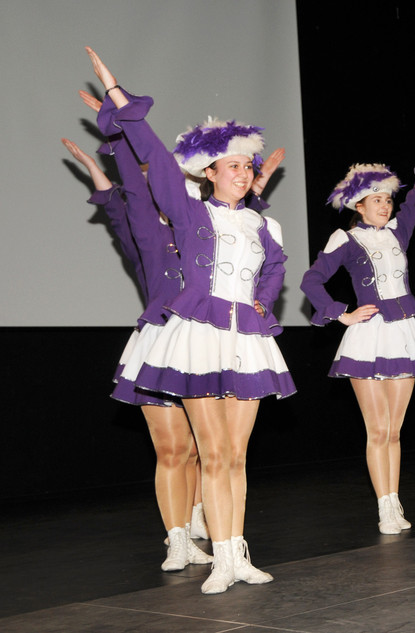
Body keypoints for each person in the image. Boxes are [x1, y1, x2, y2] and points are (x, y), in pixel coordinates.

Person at [85, 47, 295, 595]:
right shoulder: (189, 211)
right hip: (199, 336)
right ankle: (220, 559)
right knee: (214, 452)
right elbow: (154, 155)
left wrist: (263, 302)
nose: (244, 173)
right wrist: (117, 95)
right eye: (233, 166)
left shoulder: (264, 226)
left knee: (237, 456)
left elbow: (275, 268)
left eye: (248, 166)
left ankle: (237, 553)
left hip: (247, 339)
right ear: (209, 172)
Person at [62, 124, 212, 572]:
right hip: (160, 344)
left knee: (196, 450)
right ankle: (177, 540)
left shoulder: (204, 229)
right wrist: (113, 139)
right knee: (172, 449)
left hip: (204, 345)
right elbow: (123, 197)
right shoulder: (145, 230)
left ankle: (196, 520)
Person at [300, 121, 415, 535]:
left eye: (388, 199)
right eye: (377, 200)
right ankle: (384, 505)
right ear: (359, 205)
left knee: (395, 431)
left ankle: (394, 500)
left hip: (404, 333)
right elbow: (311, 281)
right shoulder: (345, 239)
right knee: (378, 428)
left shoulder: (399, 231)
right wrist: (341, 313)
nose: (385, 206)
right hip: (368, 337)